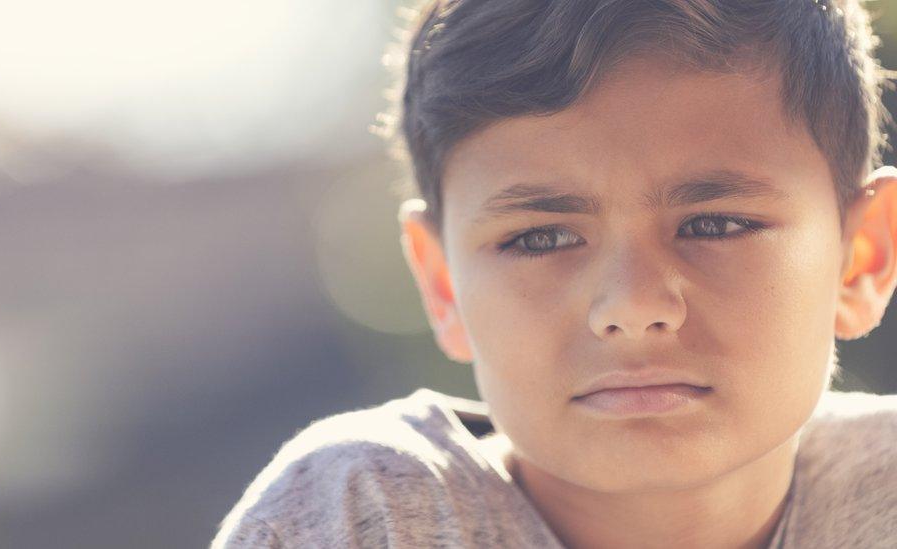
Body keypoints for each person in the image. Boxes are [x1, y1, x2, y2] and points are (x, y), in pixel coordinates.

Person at [211, 0, 897, 547]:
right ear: (444, 284)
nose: (631, 304)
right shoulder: (362, 517)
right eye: (541, 237)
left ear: (862, 257)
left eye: (713, 224)